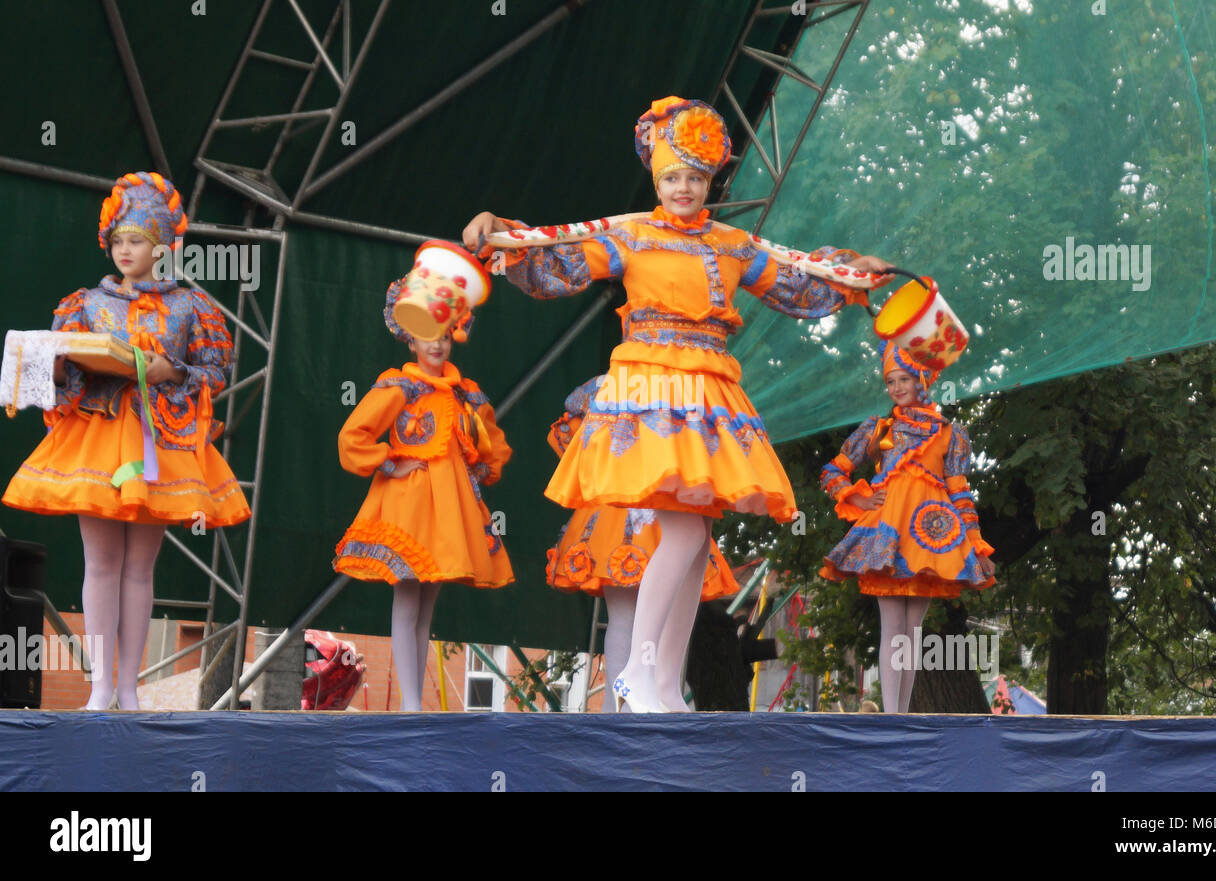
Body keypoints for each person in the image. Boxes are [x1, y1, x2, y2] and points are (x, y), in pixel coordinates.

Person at [463, 96, 893, 712]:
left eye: (694, 176)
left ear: (710, 178)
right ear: (655, 178)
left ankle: (664, 683)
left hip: (710, 389)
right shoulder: (631, 234)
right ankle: (638, 670)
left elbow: (795, 282)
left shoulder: (733, 242)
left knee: (696, 534)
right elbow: (558, 262)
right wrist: (496, 228)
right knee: (686, 530)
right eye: (671, 177)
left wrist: (853, 271)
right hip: (651, 389)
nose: (683, 188)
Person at [3, 171, 250, 710]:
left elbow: (214, 372)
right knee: (100, 563)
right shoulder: (86, 302)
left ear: (160, 245)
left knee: (141, 566)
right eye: (117, 240)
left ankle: (132, 689)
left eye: (135, 240)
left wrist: (172, 369)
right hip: (100, 433)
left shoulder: (190, 306)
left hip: (161, 441)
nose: (124, 249)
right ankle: (100, 688)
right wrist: (64, 364)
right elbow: (60, 380)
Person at [333, 254, 513, 711]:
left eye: (444, 334)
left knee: (426, 604)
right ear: (410, 337)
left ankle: (413, 703)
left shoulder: (466, 392)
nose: (436, 345)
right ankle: (411, 706)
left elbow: (493, 445)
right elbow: (352, 436)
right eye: (426, 335)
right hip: (410, 505)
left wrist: (479, 467)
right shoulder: (398, 386)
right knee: (408, 598)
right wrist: (389, 463)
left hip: (449, 508)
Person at [818, 339, 995, 713]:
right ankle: (893, 716)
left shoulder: (950, 433)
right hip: (888, 532)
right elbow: (833, 472)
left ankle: (900, 716)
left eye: (904, 379)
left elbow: (960, 492)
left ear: (922, 381)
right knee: (892, 624)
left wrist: (977, 544)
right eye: (891, 382)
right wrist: (858, 498)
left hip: (931, 536)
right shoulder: (879, 428)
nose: (897, 388)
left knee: (912, 630)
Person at [544, 375, 739, 711]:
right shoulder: (620, 383)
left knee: (641, 613)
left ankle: (628, 705)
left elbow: (571, 437)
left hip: (636, 504)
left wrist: (610, 466)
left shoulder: (615, 384)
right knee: (628, 615)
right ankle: (619, 707)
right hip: (627, 508)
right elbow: (571, 436)